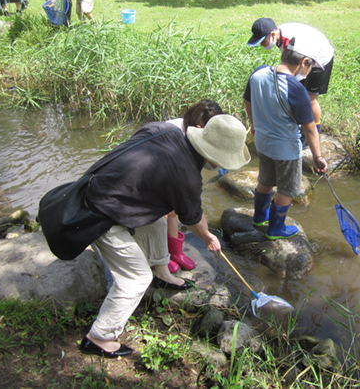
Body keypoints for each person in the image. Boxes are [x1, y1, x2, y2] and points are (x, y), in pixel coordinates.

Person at [78, 114, 250, 358]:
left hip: (98, 188)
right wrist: (208, 237)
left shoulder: (165, 131)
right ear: (217, 155)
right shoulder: (188, 175)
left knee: (158, 223)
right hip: (98, 212)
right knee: (136, 279)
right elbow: (193, 218)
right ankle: (99, 338)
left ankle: (162, 273)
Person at [244, 35, 328, 240]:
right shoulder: (296, 88)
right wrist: (318, 157)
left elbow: (247, 99)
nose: (308, 71)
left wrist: (254, 124)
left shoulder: (259, 73)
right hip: (286, 150)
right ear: (303, 62)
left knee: (265, 180)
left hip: (263, 142)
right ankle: (275, 229)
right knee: (285, 189)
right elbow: (309, 129)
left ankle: (259, 217)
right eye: (310, 66)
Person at [164, 99, 224, 272]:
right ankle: (159, 256)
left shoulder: (194, 136)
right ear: (200, 128)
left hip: (171, 166)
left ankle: (174, 252)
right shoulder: (177, 137)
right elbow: (188, 200)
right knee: (164, 213)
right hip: (158, 170)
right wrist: (207, 236)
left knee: (172, 211)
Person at [247, 18, 334, 137]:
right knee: (298, 91)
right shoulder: (279, 37)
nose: (261, 45)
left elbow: (297, 66)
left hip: (319, 58)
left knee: (310, 99)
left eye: (262, 41)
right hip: (304, 59)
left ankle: (315, 133)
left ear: (272, 34)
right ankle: (303, 127)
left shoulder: (290, 42)